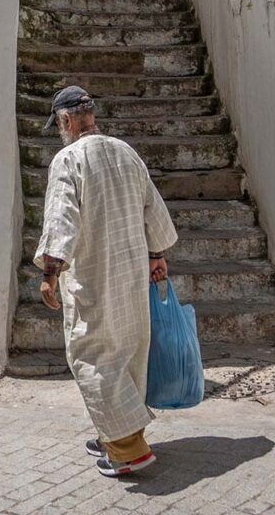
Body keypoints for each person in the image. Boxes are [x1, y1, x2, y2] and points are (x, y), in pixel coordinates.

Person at [35, 86, 178, 478]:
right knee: (129, 351)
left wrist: (50, 273)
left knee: (93, 358)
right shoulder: (125, 151)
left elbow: (61, 220)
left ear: (65, 121)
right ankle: (115, 433)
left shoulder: (67, 160)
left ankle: (127, 450)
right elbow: (153, 208)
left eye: (59, 124)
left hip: (93, 279)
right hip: (131, 275)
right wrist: (157, 255)